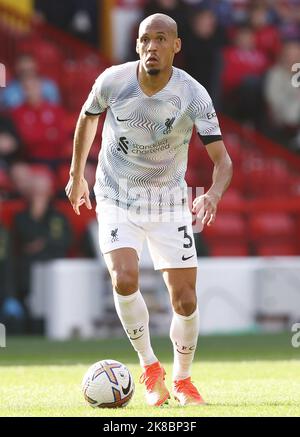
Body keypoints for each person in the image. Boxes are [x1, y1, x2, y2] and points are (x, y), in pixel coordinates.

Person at [65, 13, 232, 407]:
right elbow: (87, 119)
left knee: (185, 300)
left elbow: (222, 161)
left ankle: (183, 379)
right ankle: (149, 367)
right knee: (124, 278)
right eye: (145, 39)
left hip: (167, 201)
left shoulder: (193, 94)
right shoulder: (113, 80)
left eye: (160, 39)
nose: (151, 47)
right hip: (116, 195)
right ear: (136, 43)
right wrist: (77, 176)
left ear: (176, 46)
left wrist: (212, 195)